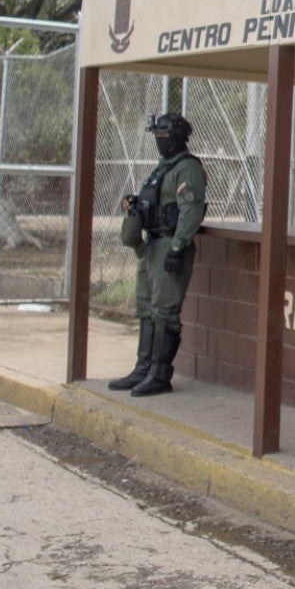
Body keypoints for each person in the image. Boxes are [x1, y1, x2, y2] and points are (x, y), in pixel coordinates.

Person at [107, 114, 206, 397]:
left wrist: (177, 247)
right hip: (151, 246)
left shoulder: (187, 169)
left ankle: (160, 375)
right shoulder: (163, 168)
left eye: (163, 137)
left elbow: (190, 211)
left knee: (165, 311)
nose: (159, 142)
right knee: (146, 308)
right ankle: (143, 369)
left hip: (169, 245)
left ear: (175, 137)